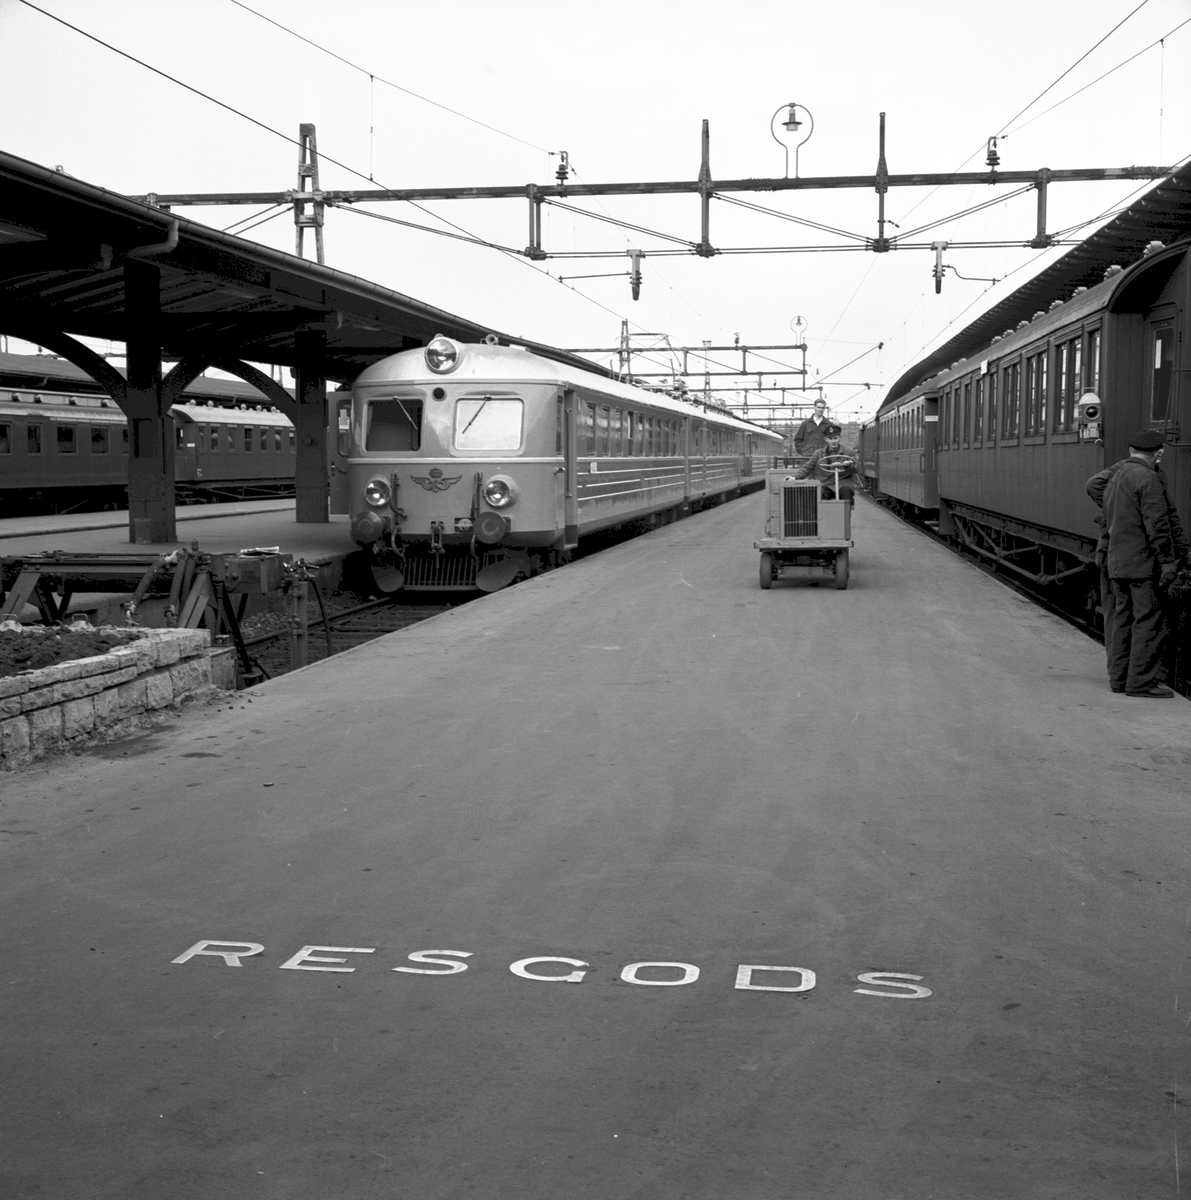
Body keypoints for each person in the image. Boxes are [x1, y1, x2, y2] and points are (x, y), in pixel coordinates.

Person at [1086, 439, 1189, 686]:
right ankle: (1140, 682)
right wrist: (1168, 561)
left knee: (1121, 618)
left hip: (1116, 560)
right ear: (1158, 452)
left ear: (1132, 450)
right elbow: (1159, 524)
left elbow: (1095, 487)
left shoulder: (1119, 475)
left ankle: (1118, 679)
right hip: (1141, 562)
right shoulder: (1147, 477)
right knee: (1148, 619)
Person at [794, 425, 857, 503]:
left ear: (839, 438)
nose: (833, 441)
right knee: (815, 494)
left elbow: (855, 469)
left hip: (842, 483)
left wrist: (849, 465)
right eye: (830, 439)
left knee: (846, 491)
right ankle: (817, 510)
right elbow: (807, 467)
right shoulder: (818, 453)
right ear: (826, 439)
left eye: (835, 438)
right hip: (825, 484)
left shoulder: (849, 453)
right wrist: (795, 477)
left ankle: (847, 509)